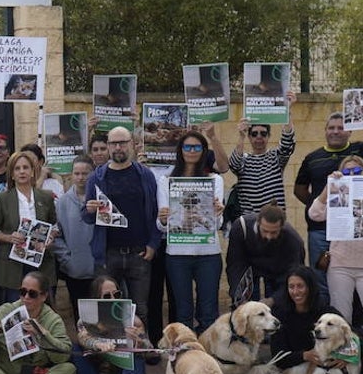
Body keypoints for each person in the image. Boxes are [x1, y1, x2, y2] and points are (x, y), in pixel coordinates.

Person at [82, 126, 160, 337]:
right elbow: (87, 216)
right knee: (106, 309)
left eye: (122, 142)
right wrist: (89, 209)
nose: (118, 147)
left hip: (139, 254)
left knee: (140, 308)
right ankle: (110, 354)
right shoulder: (96, 178)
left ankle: (140, 351)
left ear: (132, 144)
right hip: (108, 254)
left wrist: (153, 244)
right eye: (113, 143)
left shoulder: (146, 176)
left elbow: (156, 214)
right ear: (107, 146)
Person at [252, 266, 351, 374]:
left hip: (328, 373)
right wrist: (305, 355)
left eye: (300, 286)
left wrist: (348, 356)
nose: (295, 292)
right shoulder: (281, 315)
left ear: (310, 287)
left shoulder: (326, 312)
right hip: (294, 372)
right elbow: (279, 358)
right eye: (291, 287)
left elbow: (353, 335)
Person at [155, 131, 225, 334]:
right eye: (187, 147)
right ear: (180, 150)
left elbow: (217, 224)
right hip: (177, 256)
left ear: (204, 151)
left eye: (197, 147)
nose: (192, 151)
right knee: (183, 312)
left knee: (208, 312)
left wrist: (217, 213)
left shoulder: (215, 180)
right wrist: (162, 218)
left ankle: (208, 357)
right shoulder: (166, 180)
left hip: (209, 255)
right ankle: (186, 355)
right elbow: (162, 225)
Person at [294, 111, 363, 292]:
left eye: (341, 128)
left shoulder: (359, 150)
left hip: (352, 232)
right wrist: (320, 204)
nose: (336, 131)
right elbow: (299, 189)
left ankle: (354, 320)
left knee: (353, 280)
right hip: (320, 230)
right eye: (331, 128)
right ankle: (324, 318)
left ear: (349, 131)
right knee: (320, 280)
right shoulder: (312, 158)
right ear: (325, 131)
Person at [73, 275, 149, 374]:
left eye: (117, 294)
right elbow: (82, 338)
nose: (113, 299)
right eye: (107, 296)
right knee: (76, 350)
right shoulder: (85, 321)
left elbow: (148, 348)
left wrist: (137, 340)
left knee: (137, 356)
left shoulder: (133, 320)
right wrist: (98, 344)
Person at [0, 149, 58, 302]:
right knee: (15, 308)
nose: (22, 172)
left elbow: (55, 226)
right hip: (12, 265)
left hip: (41, 262)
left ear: (33, 171)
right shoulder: (2, 198)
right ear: (12, 174)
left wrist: (50, 237)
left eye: (25, 167)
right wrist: (9, 237)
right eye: (17, 168)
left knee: (43, 308)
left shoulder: (46, 197)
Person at [306, 155, 363, 323]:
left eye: (357, 170)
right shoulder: (337, 192)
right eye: (347, 171)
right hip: (340, 264)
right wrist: (329, 186)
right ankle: (343, 349)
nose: (352, 173)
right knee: (341, 315)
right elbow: (314, 214)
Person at [227, 91, 297, 218]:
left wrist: (287, 111)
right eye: (254, 133)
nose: (259, 137)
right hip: (249, 222)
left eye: (263, 133)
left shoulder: (276, 157)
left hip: (274, 221)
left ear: (269, 136)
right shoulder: (244, 160)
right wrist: (241, 136)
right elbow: (234, 165)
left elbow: (287, 144)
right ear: (249, 136)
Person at [225, 204, 306, 304]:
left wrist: (274, 300)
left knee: (279, 308)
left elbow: (294, 276)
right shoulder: (241, 227)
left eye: (274, 232)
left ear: (282, 227)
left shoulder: (293, 241)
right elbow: (235, 266)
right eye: (265, 231)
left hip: (278, 270)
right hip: (248, 268)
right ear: (258, 223)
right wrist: (239, 296)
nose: (268, 236)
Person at [53, 154, 97, 324]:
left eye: (85, 173)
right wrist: (67, 259)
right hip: (75, 271)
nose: (80, 177)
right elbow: (57, 235)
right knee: (80, 317)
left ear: (92, 174)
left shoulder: (101, 199)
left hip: (98, 269)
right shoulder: (62, 202)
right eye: (76, 173)